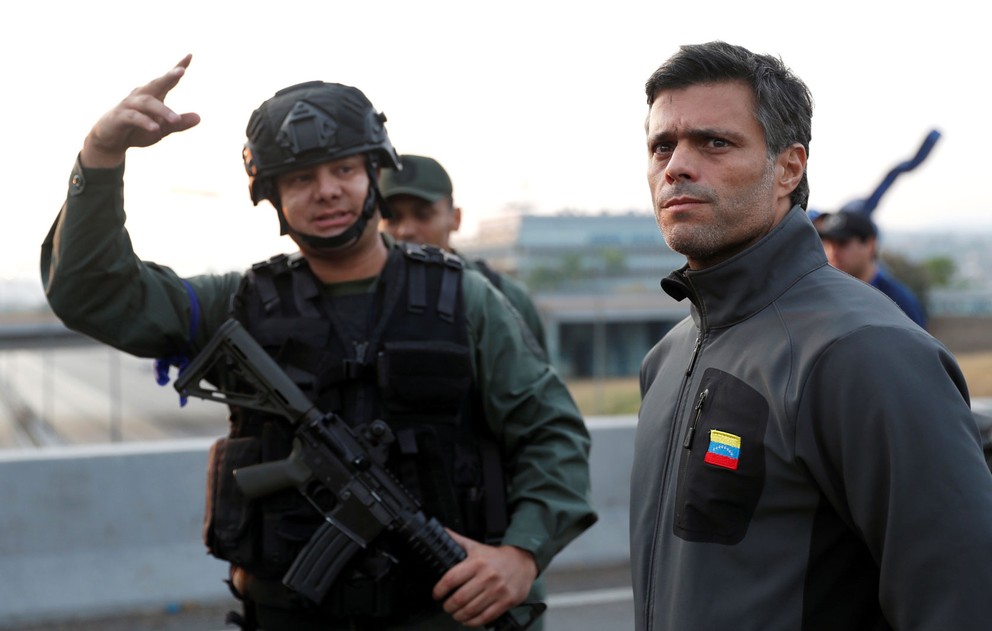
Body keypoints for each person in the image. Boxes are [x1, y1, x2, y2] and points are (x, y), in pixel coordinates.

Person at [40, 55, 596, 631]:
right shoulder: (239, 304)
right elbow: (91, 293)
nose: (326, 192)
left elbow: (550, 433)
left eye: (344, 171)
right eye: (301, 179)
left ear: (373, 175)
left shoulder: (466, 299)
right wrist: (101, 157)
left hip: (440, 615)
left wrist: (521, 555)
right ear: (272, 195)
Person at [631, 41, 992, 630]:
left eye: (714, 141)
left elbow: (965, 602)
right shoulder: (665, 360)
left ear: (789, 168)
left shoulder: (867, 352)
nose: (676, 164)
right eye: (662, 145)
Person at [377, 155, 548, 355]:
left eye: (423, 214)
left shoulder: (504, 296)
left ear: (455, 218)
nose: (406, 230)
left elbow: (536, 382)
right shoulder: (362, 294)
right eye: (392, 217)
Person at [816, 209, 929, 328]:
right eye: (828, 244)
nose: (833, 252)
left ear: (870, 245)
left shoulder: (898, 302)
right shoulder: (822, 298)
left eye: (842, 243)